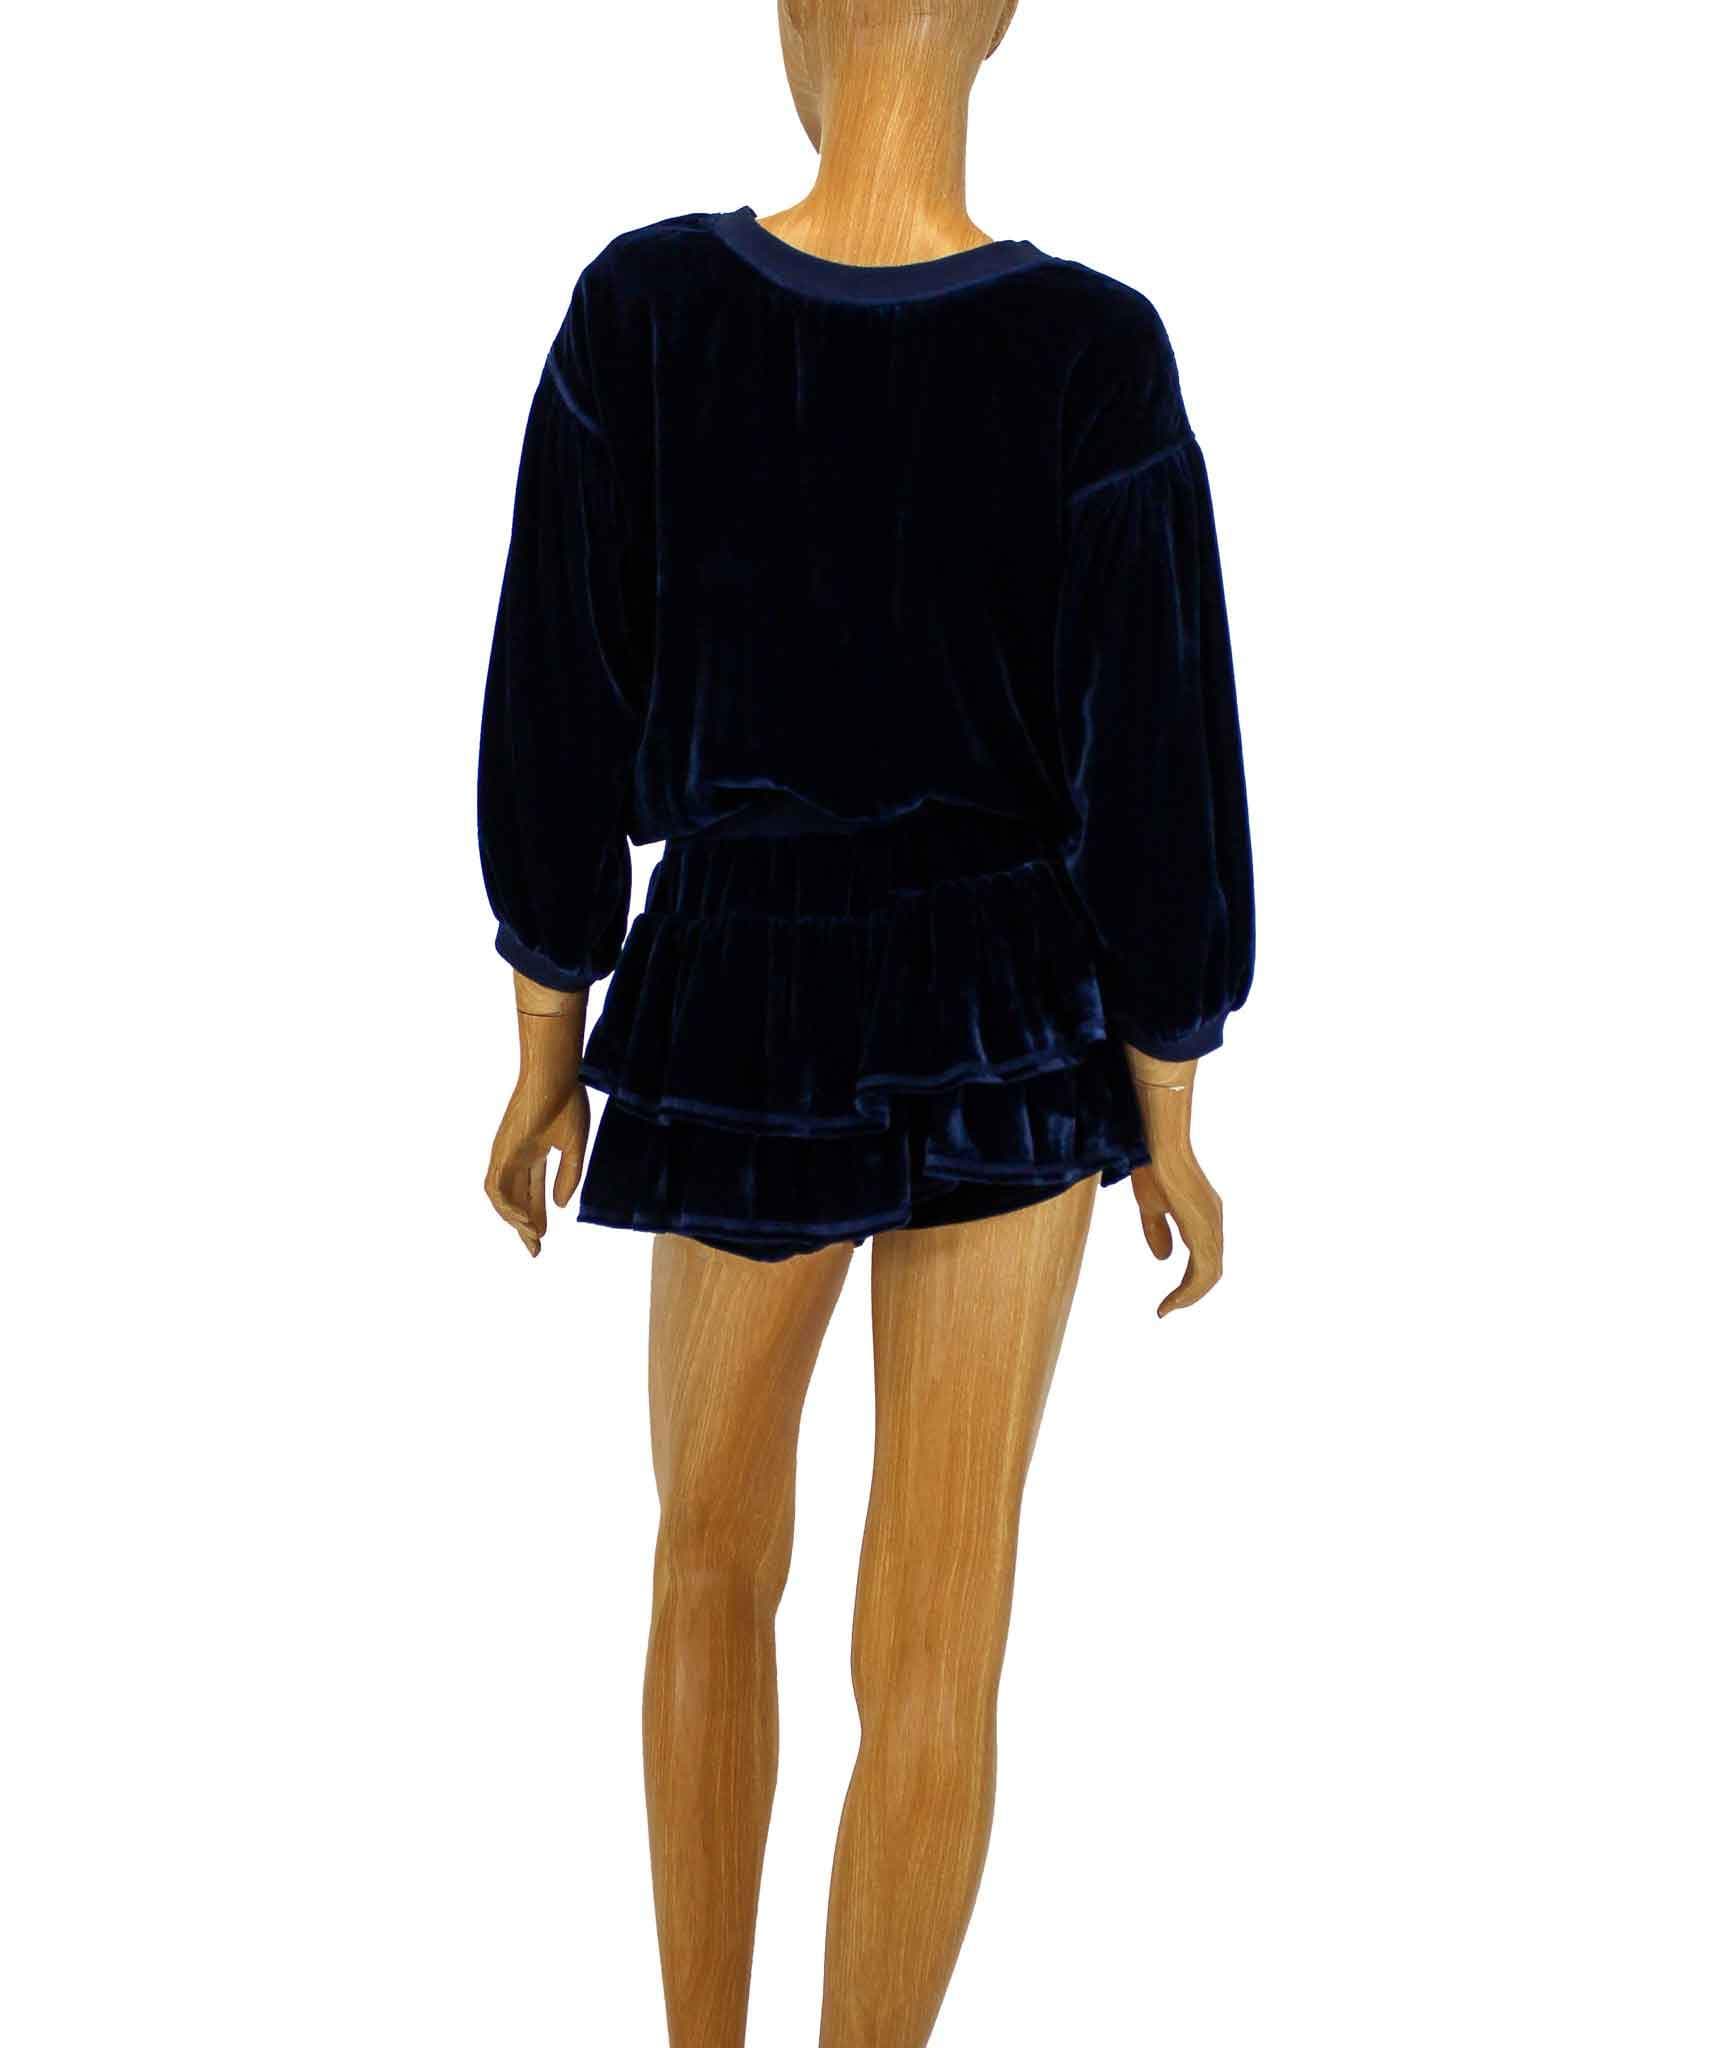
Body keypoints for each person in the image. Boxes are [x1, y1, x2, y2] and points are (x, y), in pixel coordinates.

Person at [476, 5, 1253, 2040]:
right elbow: (1157, 761)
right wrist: (1168, 1089)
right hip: (1014, 1006)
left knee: (709, 1562)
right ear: (995, 23)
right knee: (933, 1635)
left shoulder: (650, 311)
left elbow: (554, 699)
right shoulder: (1088, 351)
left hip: (741, 989)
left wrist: (548, 1025)